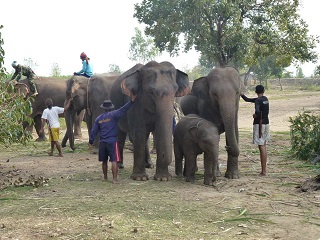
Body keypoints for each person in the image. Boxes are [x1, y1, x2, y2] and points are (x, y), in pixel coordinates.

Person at [89, 97, 136, 183]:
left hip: (102, 142)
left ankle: (105, 177)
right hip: (112, 141)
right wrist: (132, 101)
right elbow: (123, 109)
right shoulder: (114, 115)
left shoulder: (99, 119)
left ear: (103, 108)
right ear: (111, 108)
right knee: (114, 160)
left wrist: (91, 141)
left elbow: (93, 131)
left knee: (104, 161)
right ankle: (114, 179)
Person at [241, 85, 270, 176]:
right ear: (263, 91)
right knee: (264, 145)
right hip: (266, 124)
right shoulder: (265, 99)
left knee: (261, 147)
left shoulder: (258, 101)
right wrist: (241, 94)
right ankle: (264, 170)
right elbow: (247, 99)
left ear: (255, 91)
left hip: (259, 125)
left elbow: (257, 111)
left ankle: (263, 171)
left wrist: (255, 115)